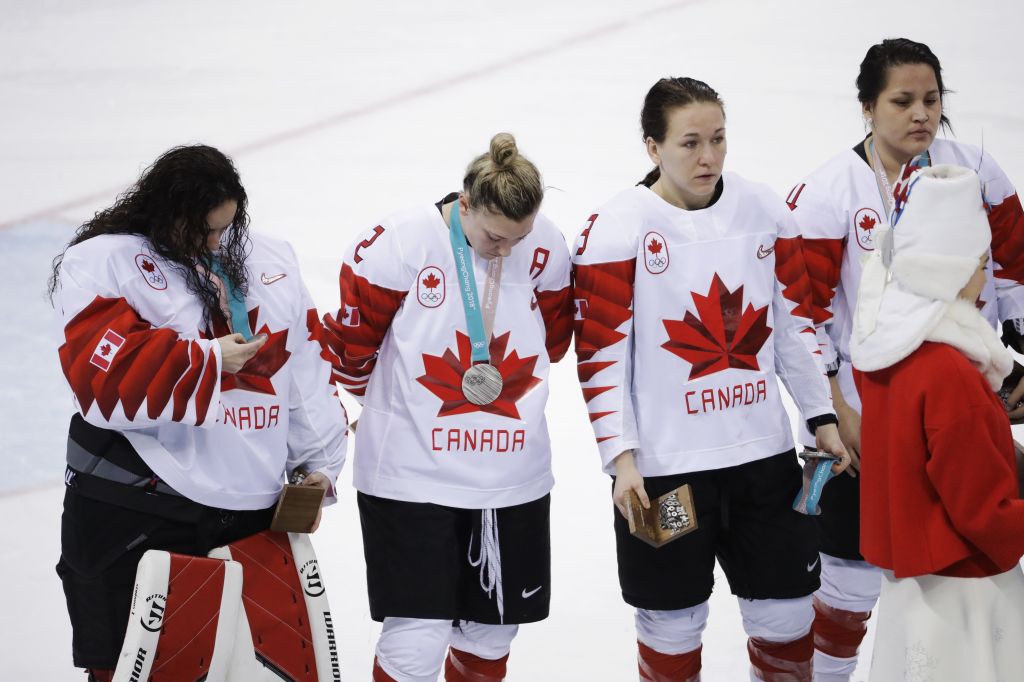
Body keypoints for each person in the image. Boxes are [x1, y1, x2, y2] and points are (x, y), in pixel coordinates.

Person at [571, 77, 849, 682]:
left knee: (786, 618)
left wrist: (820, 417)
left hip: (764, 469)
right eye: (690, 143)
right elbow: (599, 357)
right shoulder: (615, 229)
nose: (708, 157)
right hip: (666, 479)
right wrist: (620, 459)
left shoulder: (766, 210)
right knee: (669, 623)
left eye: (719, 140)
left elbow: (795, 324)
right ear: (652, 147)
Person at [50, 144, 347, 681]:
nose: (214, 243)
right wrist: (208, 360)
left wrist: (318, 463)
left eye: (224, 228)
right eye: (202, 230)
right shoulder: (103, 260)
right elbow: (99, 383)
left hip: (251, 519)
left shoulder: (270, 258)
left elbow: (304, 369)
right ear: (165, 212)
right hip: (141, 511)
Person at [788, 37, 1024, 680]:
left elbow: (1012, 271)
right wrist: (834, 412)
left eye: (931, 99)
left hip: (952, 394)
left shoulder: (972, 169)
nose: (920, 114)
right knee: (850, 567)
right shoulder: (827, 192)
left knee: (955, 544)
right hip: (868, 403)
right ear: (867, 106)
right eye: (902, 101)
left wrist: (1017, 360)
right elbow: (800, 317)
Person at [322, 132, 573, 682]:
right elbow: (349, 351)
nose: (507, 249)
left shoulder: (547, 247)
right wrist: (390, 406)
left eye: (520, 236)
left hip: (510, 477)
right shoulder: (400, 244)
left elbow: (554, 341)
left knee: (491, 637)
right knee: (416, 639)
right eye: (493, 236)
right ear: (464, 204)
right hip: (412, 478)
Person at [850, 163, 1024, 680]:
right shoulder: (951, 375)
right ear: (948, 267)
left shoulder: (886, 350)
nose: (985, 277)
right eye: (979, 262)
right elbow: (983, 513)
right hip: (965, 595)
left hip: (911, 589)